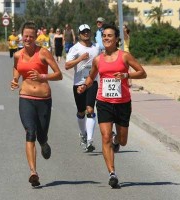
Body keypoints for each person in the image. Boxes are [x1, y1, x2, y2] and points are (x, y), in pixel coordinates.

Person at [77, 23, 147, 188]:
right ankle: (112, 173)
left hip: (123, 103)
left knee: (122, 141)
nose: (106, 38)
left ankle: (117, 139)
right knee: (105, 137)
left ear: (116, 39)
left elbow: (142, 73)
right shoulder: (97, 59)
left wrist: (126, 74)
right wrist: (84, 86)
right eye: (104, 36)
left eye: (110, 36)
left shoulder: (125, 56)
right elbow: (91, 77)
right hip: (103, 102)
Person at [10, 21, 63, 187]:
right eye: (25, 36)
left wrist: (43, 77)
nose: (27, 39)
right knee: (30, 132)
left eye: (31, 37)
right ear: (22, 36)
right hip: (25, 97)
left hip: (43, 99)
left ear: (35, 38)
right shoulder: (18, 55)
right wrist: (14, 80)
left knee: (41, 134)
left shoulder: (43, 53)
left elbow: (59, 74)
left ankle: (44, 142)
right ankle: (33, 172)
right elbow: (17, 68)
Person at [65, 24, 101, 152]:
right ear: (79, 34)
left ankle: (90, 140)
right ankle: (83, 134)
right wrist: (80, 58)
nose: (86, 33)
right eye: (83, 32)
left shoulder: (97, 47)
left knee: (90, 109)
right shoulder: (75, 48)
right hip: (78, 83)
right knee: (81, 111)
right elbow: (67, 66)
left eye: (87, 31)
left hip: (92, 82)